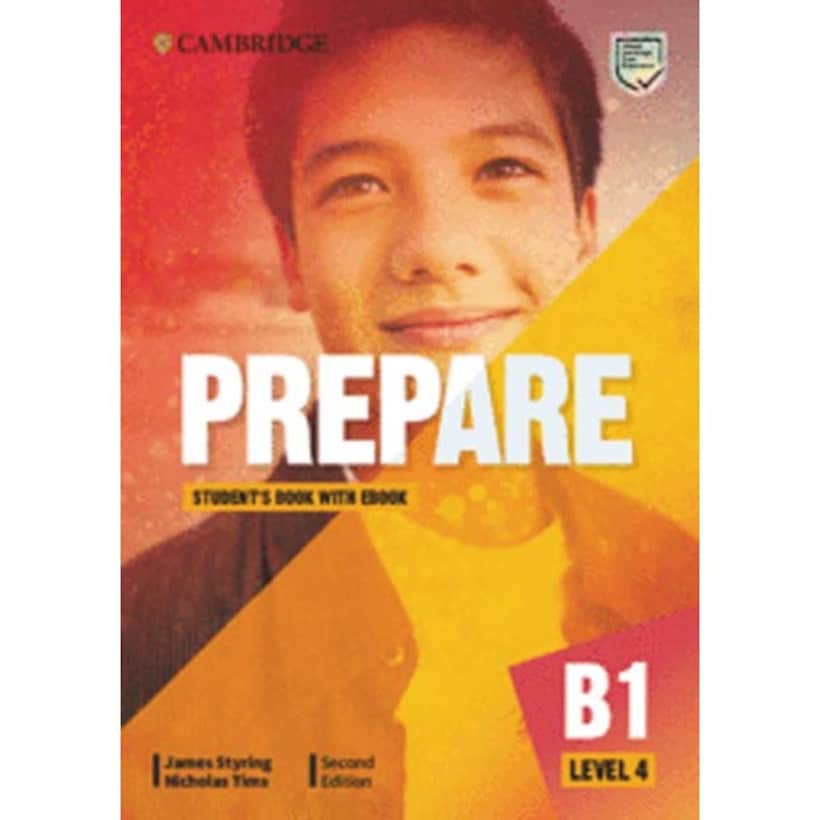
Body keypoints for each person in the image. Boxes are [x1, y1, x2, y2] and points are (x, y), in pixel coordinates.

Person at [122, 0, 697, 814]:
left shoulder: (686, 587)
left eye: (502, 169)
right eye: (358, 184)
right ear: (292, 257)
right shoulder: (147, 635)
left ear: (583, 226)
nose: (435, 248)